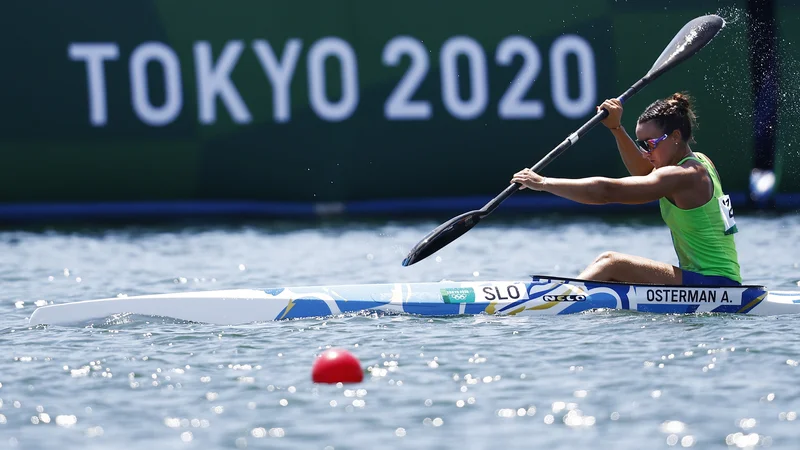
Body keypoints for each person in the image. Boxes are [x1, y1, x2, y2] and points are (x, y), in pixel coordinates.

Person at [511, 93, 741, 286]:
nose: (645, 152)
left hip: (715, 284)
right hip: (711, 281)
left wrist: (543, 183)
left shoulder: (683, 176)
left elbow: (606, 192)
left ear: (676, 137)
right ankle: (564, 297)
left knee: (613, 264)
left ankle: (553, 302)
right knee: (607, 258)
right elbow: (643, 172)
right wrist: (616, 128)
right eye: (641, 144)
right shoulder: (700, 162)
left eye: (649, 144)